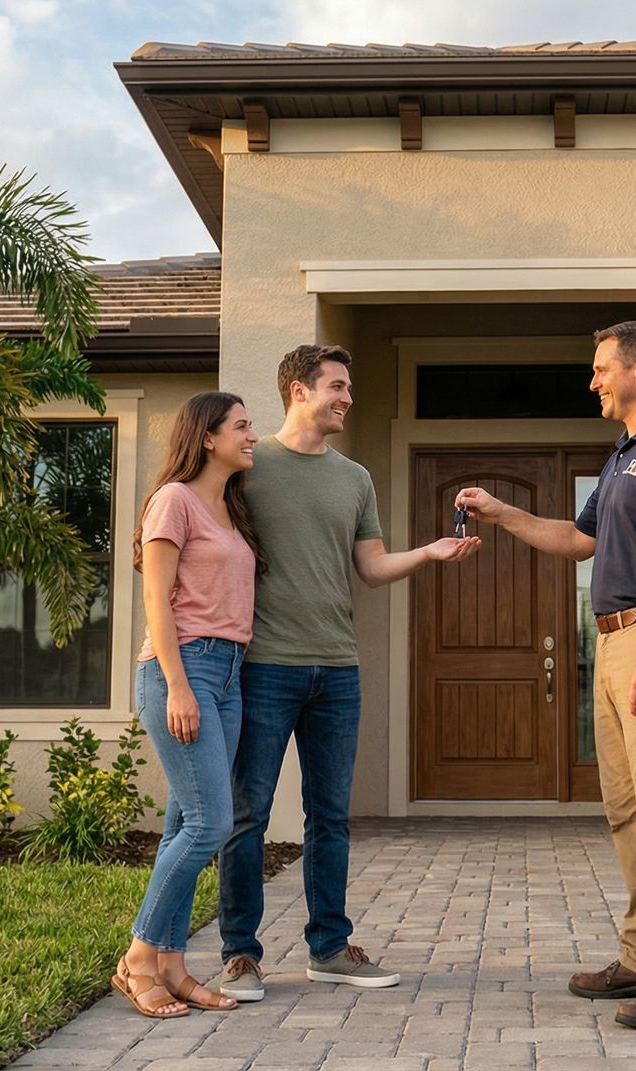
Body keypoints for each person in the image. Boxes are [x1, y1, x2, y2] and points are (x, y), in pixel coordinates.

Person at [455, 320, 636, 1030]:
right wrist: (501, 511)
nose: (593, 380)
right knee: (628, 811)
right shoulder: (624, 453)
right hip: (613, 643)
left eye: (602, 368)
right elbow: (579, 541)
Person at [210, 344, 481, 1001]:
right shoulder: (247, 465)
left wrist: (430, 552)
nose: (348, 398)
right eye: (337, 386)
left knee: (330, 815)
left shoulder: (354, 478)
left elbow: (372, 567)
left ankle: (330, 947)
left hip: (337, 668)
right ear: (299, 390)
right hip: (264, 666)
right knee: (247, 814)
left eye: (349, 388)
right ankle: (239, 955)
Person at [112, 391, 262, 1018]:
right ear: (207, 436)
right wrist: (177, 684)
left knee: (184, 824)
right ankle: (139, 957)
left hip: (228, 673)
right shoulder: (173, 500)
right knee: (210, 824)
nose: (252, 436)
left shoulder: (229, 507)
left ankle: (172, 966)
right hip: (184, 668)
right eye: (241, 426)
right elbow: (156, 597)